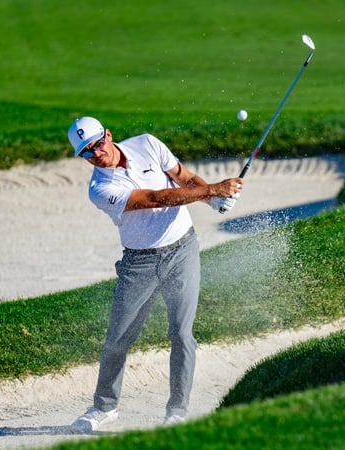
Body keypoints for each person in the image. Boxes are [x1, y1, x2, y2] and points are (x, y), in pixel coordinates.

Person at [67, 116, 243, 432]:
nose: (96, 154)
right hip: (140, 263)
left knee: (181, 333)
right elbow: (154, 199)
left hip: (183, 249)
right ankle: (104, 408)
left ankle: (177, 411)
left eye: (96, 144)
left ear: (108, 134)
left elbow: (183, 177)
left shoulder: (147, 143)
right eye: (87, 152)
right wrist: (214, 188)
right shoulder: (100, 187)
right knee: (118, 339)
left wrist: (212, 198)